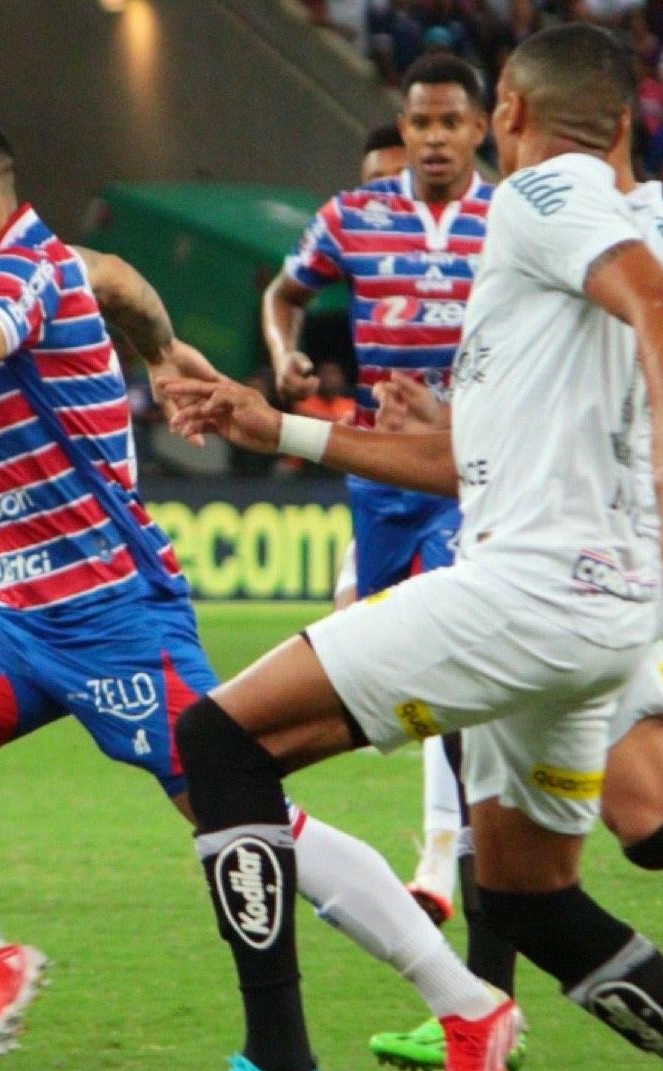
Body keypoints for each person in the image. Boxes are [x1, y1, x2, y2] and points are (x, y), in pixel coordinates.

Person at [0, 109, 510, 1071]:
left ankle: (464, 999)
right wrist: (161, 350)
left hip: (116, 613)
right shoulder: (43, 265)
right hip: (21, 617)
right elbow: (119, 279)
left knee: (242, 813)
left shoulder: (13, 277)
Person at [134, 28, 663, 1071]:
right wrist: (273, 423)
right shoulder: (645, 231)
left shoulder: (537, 197)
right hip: (606, 625)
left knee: (215, 740)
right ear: (624, 123)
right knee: (524, 898)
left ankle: (275, 1065)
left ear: (506, 110)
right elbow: (480, 452)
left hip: (529, 593)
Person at [259, 53, 490, 938]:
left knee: (452, 653)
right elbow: (284, 295)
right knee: (368, 664)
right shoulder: (353, 218)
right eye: (418, 124)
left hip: (467, 476)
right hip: (376, 474)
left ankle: (446, 857)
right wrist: (284, 357)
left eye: (448, 123)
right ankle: (274, 802)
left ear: (477, 127)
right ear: (404, 126)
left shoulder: (510, 222)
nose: (431, 138)